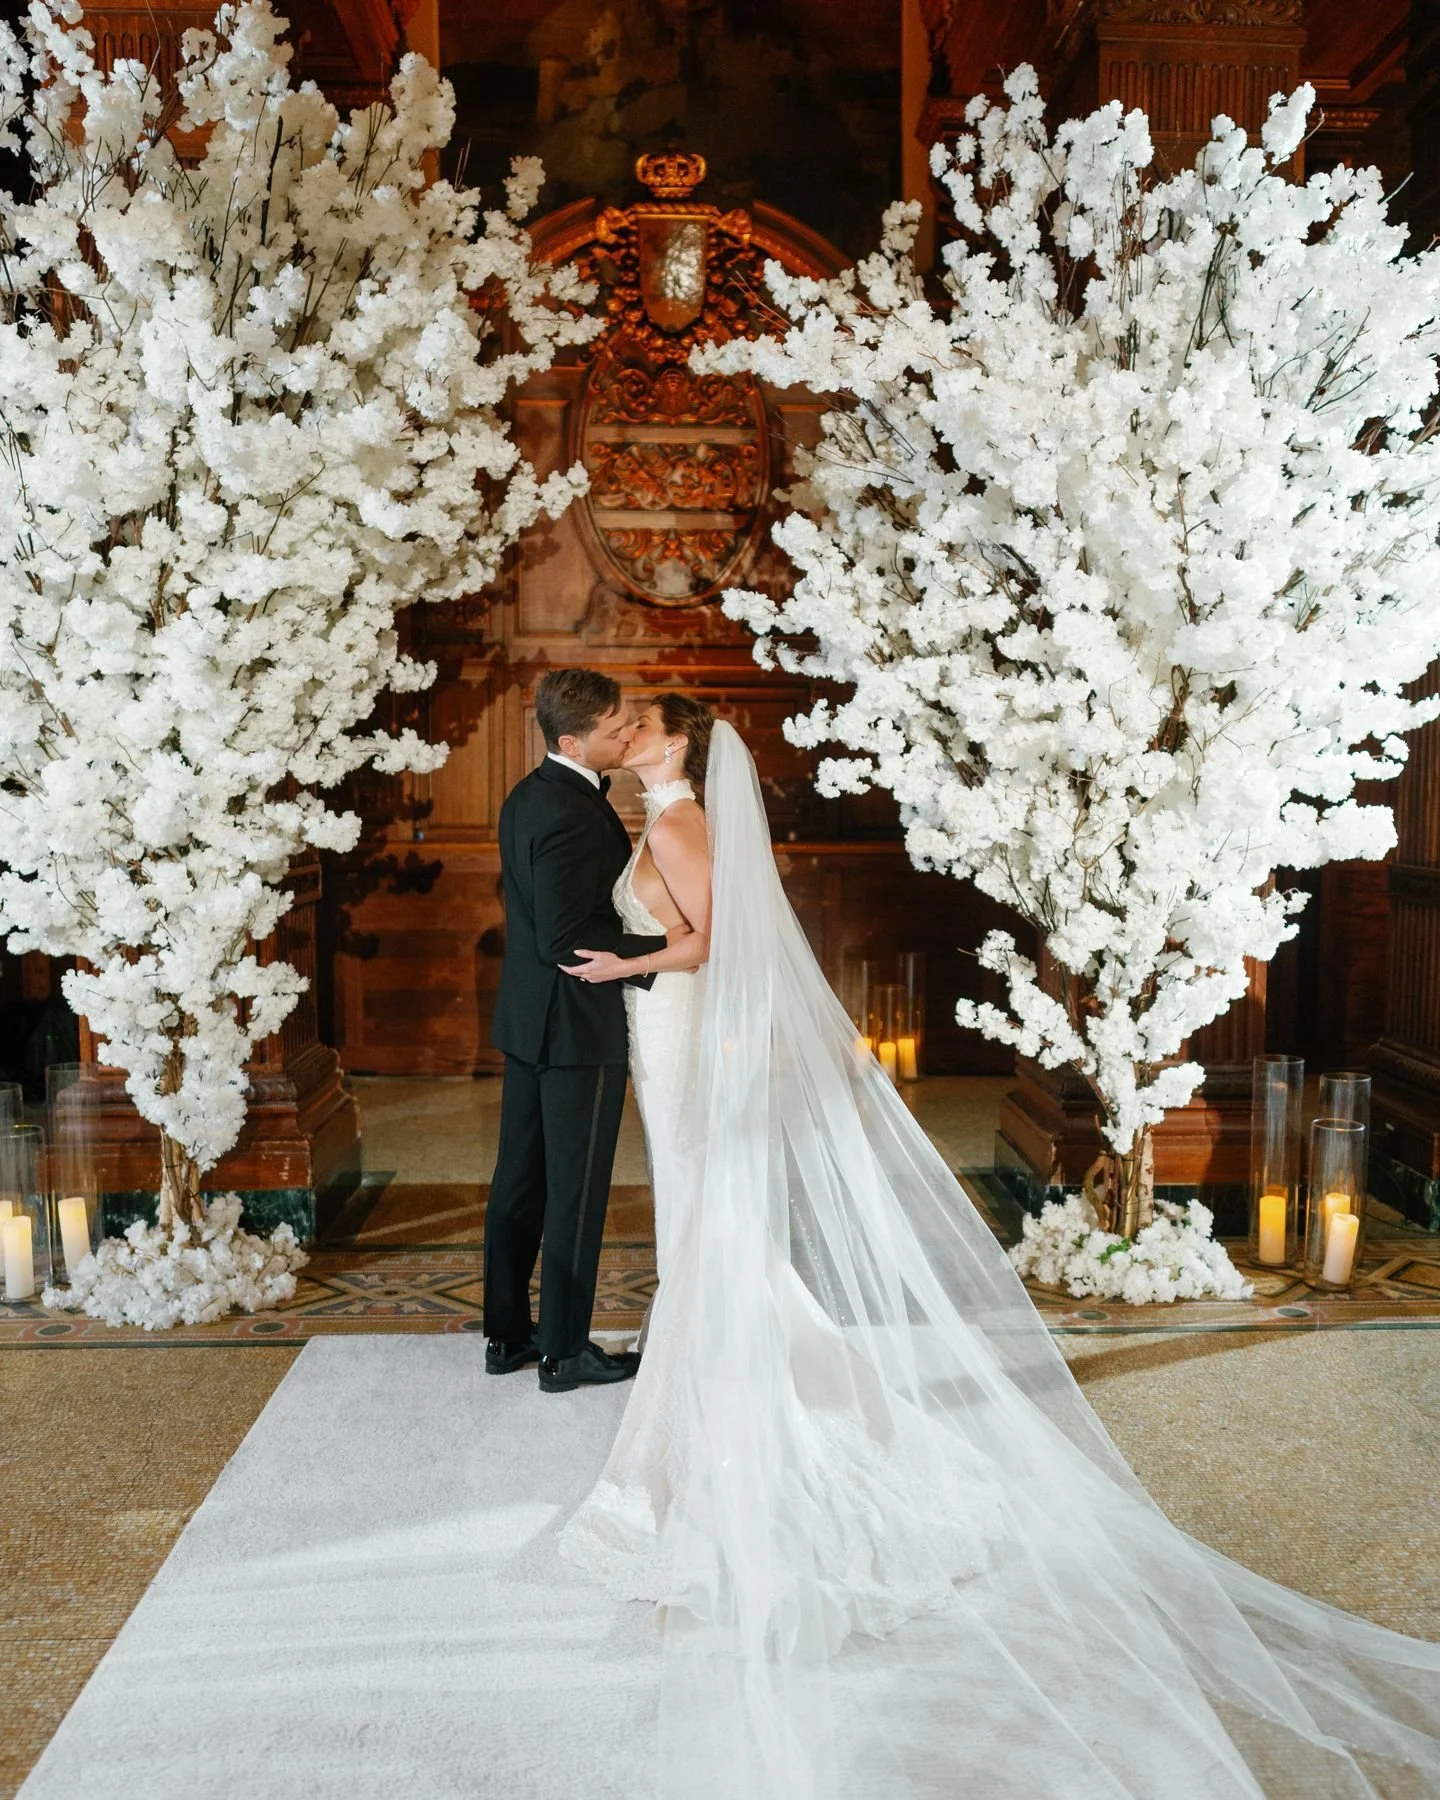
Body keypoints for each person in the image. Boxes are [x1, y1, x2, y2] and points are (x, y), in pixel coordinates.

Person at [555, 701, 1440, 1800]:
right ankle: (714, 1404)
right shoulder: (661, 819)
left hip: (680, 1027)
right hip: (667, 1027)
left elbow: (722, 939)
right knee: (702, 1227)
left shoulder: (682, 824)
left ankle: (733, 1426)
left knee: (709, 1228)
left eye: (642, 724)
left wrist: (621, 964)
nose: (626, 732)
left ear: (680, 747)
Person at [483, 668, 667, 1394]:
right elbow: (566, 940)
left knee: (519, 1184)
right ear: (571, 739)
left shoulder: (531, 794)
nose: (626, 735)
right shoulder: (566, 810)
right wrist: (669, 953)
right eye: (614, 729)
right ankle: (562, 1352)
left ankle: (507, 1336)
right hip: (573, 1030)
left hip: (529, 1021)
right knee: (575, 1192)